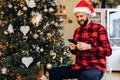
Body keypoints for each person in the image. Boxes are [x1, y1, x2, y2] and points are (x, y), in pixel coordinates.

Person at [48, 0, 112, 80]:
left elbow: (108, 51)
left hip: (95, 67)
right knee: (54, 72)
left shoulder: (100, 29)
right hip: (79, 66)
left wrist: (89, 47)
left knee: (84, 76)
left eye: (81, 16)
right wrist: (73, 49)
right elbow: (76, 52)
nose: (79, 19)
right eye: (77, 17)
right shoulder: (77, 31)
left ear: (88, 15)